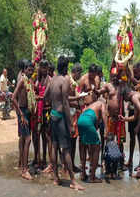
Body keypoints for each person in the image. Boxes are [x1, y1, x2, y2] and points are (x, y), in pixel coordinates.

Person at [44, 56, 85, 190]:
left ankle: (56, 178)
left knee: (55, 147)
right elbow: (66, 103)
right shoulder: (64, 80)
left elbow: (45, 98)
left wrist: (53, 103)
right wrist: (69, 124)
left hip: (53, 116)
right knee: (66, 149)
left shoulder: (52, 80)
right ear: (66, 67)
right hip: (61, 117)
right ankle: (73, 181)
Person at [12, 60, 35, 180]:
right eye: (28, 69)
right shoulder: (22, 80)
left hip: (27, 111)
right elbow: (13, 98)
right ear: (24, 70)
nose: (30, 71)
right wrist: (20, 114)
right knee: (28, 139)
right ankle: (25, 170)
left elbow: (29, 96)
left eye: (32, 69)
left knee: (23, 138)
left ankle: (21, 163)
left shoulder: (30, 80)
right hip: (22, 111)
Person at [77, 100, 108, 183]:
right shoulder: (102, 103)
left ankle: (83, 173)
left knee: (83, 145)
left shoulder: (91, 106)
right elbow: (104, 114)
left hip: (80, 120)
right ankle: (92, 177)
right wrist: (106, 129)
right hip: (88, 121)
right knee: (97, 147)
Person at [66, 63, 84, 173]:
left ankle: (71, 165)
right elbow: (66, 98)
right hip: (69, 114)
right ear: (76, 72)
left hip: (74, 113)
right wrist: (78, 98)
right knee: (69, 142)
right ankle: (67, 166)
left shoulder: (72, 82)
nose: (80, 76)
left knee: (73, 141)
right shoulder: (68, 81)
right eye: (80, 73)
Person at [34, 60, 52, 170]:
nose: (43, 70)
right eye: (42, 67)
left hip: (47, 110)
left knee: (47, 136)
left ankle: (48, 161)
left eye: (45, 67)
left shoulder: (49, 80)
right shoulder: (38, 79)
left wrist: (39, 97)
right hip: (38, 111)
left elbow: (46, 96)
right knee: (38, 134)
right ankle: (40, 159)